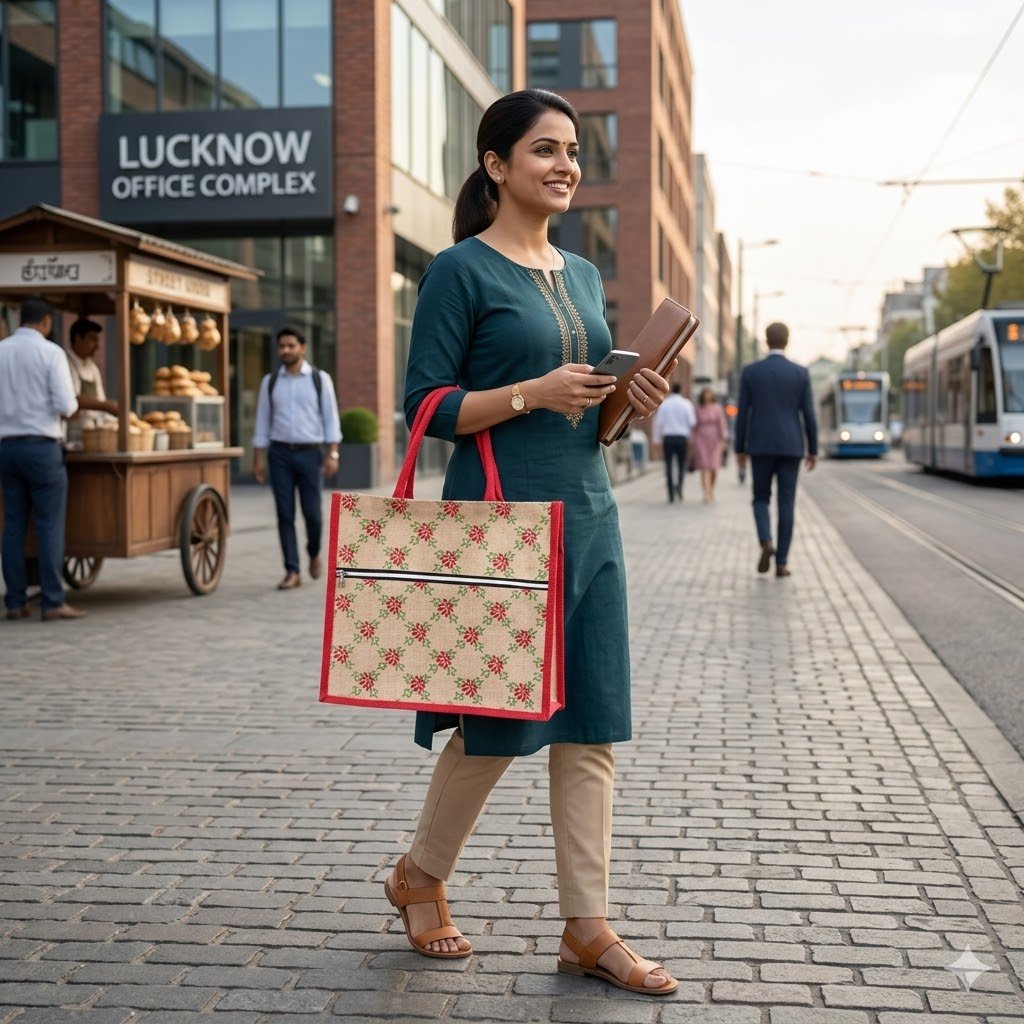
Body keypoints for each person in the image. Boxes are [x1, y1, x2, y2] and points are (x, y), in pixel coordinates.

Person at [391, 89, 678, 995]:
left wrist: (623, 408)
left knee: (590, 724)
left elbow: (587, 423)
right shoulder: (459, 271)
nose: (566, 166)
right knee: (492, 723)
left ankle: (586, 927)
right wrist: (530, 392)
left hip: (589, 515)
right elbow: (426, 408)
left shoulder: (586, 277)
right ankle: (421, 876)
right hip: (499, 522)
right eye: (546, 150)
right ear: (497, 165)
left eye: (575, 151)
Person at [0, 298, 83, 620]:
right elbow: (67, 405)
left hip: (6, 448)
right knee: (49, 525)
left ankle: (16, 601)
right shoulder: (51, 353)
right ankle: (52, 601)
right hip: (42, 447)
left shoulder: (1, 350)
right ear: (47, 322)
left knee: (12, 526)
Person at [251, 328, 341, 590]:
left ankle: (313, 551)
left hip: (310, 453)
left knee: (312, 513)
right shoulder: (270, 382)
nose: (286, 350)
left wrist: (332, 453)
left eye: (291, 345)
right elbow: (262, 422)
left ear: (303, 348)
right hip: (279, 454)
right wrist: (258, 459)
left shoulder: (319, 379)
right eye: (282, 346)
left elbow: (330, 418)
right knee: (284, 513)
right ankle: (292, 570)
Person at [734, 321, 818, 577]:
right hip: (791, 446)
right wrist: (813, 449)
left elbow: (742, 415)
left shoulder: (751, 372)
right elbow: (809, 414)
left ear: (766, 341)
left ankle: (765, 541)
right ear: (787, 341)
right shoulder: (800, 373)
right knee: (787, 503)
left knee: (760, 498)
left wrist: (740, 448)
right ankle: (781, 563)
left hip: (760, 445)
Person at [66, 318, 118, 437]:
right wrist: (106, 406)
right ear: (78, 338)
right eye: (92, 339)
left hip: (96, 432)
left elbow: (100, 399)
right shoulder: (65, 363)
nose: (97, 346)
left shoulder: (92, 368)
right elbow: (72, 399)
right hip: (74, 432)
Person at [651, 382, 695, 503]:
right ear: (681, 390)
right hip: (682, 438)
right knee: (681, 464)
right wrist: (691, 440)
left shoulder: (665, 404)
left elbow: (658, 423)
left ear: (671, 391)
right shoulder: (687, 404)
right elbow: (691, 423)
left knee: (668, 465)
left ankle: (670, 493)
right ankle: (679, 487)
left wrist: (656, 440)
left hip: (668, 438)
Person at [691, 386, 728, 502]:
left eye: (709, 393)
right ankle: (705, 493)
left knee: (713, 467)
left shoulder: (717, 408)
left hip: (715, 440)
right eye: (705, 394)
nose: (707, 396)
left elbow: (722, 423)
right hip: (701, 439)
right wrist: (693, 440)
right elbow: (694, 426)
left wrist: (724, 439)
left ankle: (711, 489)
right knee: (704, 466)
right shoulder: (699, 409)